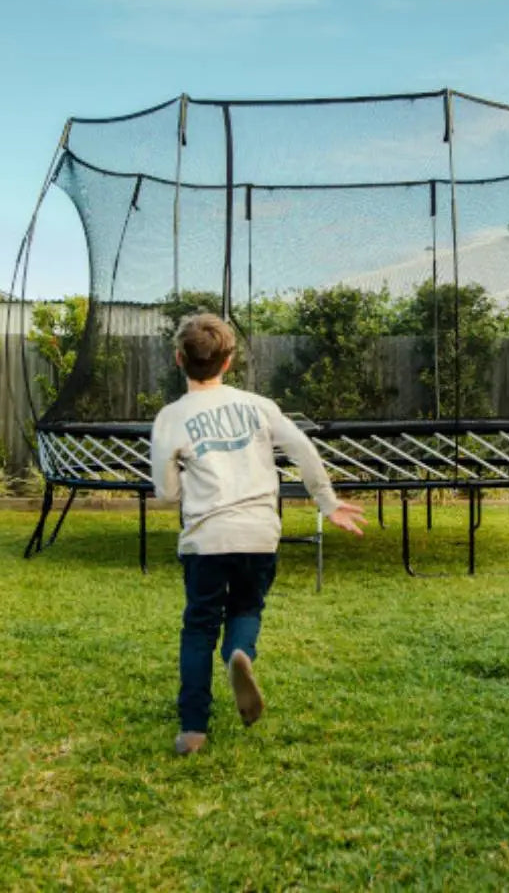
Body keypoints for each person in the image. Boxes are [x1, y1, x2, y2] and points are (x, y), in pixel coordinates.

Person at [151, 313, 366, 756]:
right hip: (259, 534)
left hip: (206, 539)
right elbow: (303, 449)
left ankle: (193, 729)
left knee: (198, 627)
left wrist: (183, 482)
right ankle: (239, 653)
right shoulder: (259, 406)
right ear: (229, 361)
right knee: (247, 606)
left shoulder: (171, 417)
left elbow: (167, 493)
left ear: (178, 359)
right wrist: (327, 501)